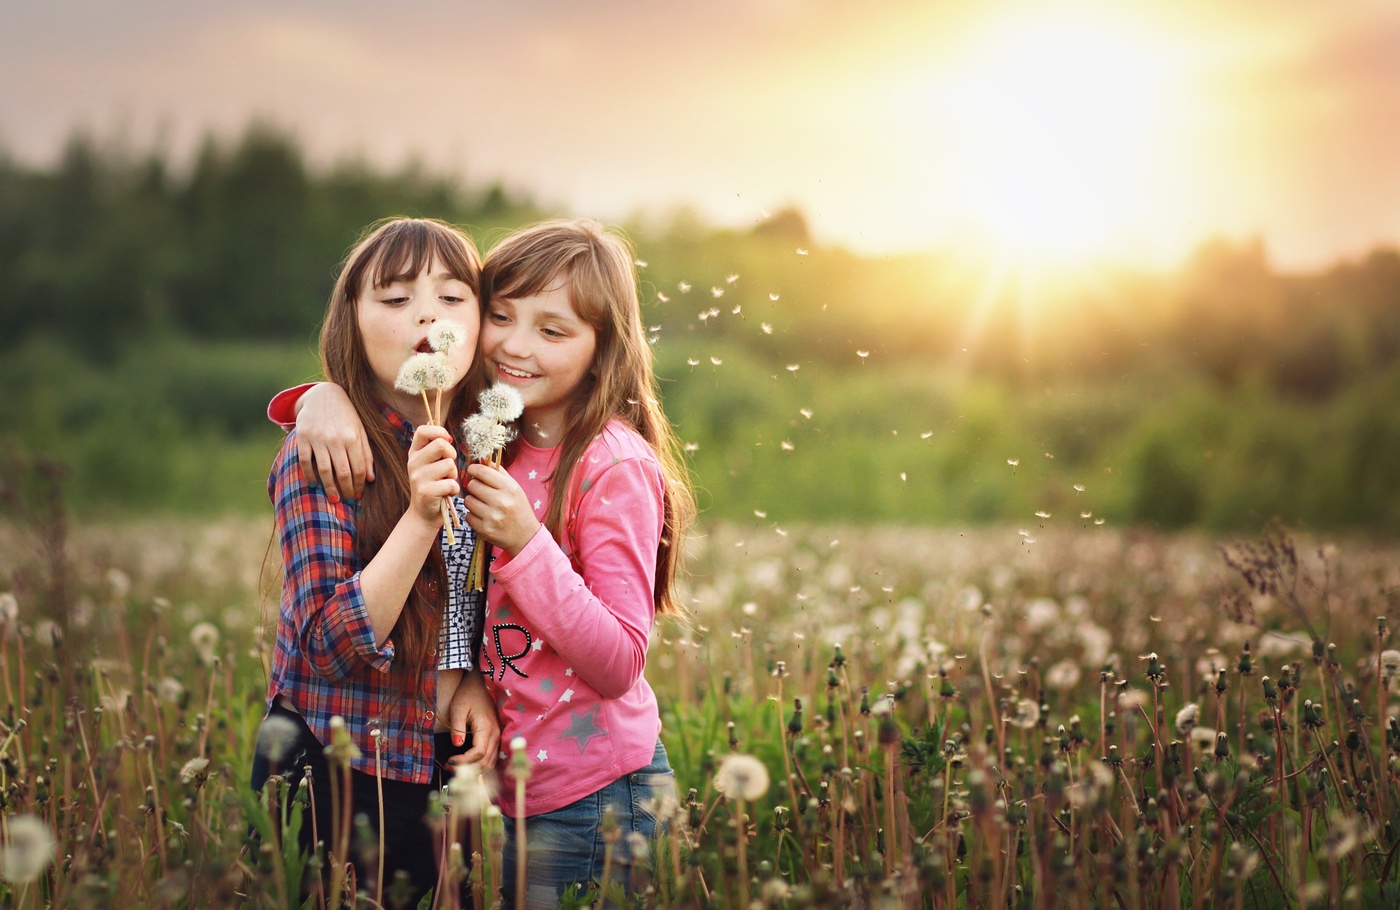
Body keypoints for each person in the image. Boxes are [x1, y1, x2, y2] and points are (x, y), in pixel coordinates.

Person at [270, 219, 695, 907]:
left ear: (601, 349)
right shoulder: (434, 442)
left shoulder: (540, 449)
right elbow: (360, 633)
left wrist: (474, 667)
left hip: (559, 783)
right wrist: (318, 398)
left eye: (452, 298)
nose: (517, 345)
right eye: (503, 316)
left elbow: (601, 649)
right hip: (375, 769)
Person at [253, 217, 501, 908]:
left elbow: (473, 603)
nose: (426, 312)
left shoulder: (487, 446)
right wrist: (420, 517)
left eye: (453, 297)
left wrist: (470, 679)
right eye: (394, 299)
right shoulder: (325, 455)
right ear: (352, 322)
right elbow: (328, 646)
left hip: (444, 761)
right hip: (340, 769)